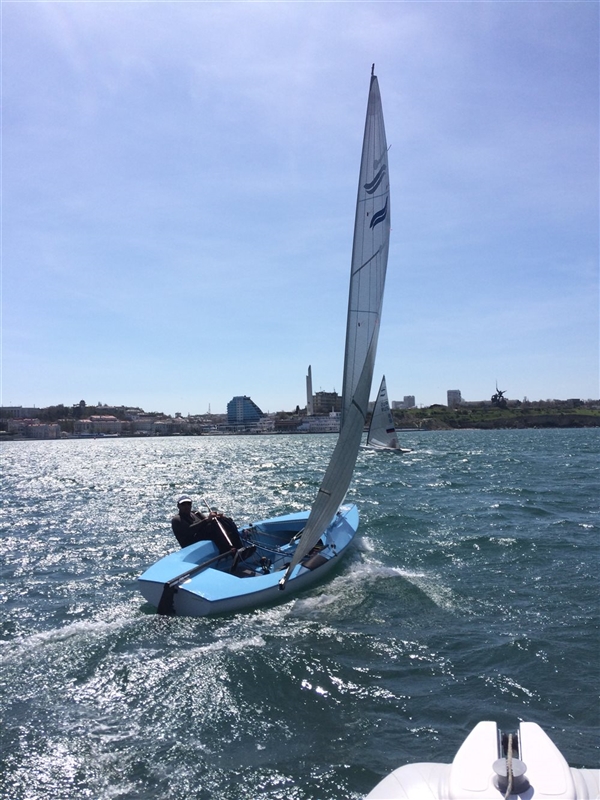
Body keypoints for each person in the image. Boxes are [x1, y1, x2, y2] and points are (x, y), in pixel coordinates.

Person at [171, 495, 243, 552]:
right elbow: (189, 530)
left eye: (188, 504)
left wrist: (217, 517)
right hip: (191, 543)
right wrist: (207, 520)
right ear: (178, 506)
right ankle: (227, 550)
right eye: (183, 504)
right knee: (214, 526)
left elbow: (209, 521)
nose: (186, 506)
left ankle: (239, 545)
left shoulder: (195, 513)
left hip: (202, 537)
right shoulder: (177, 519)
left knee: (223, 520)